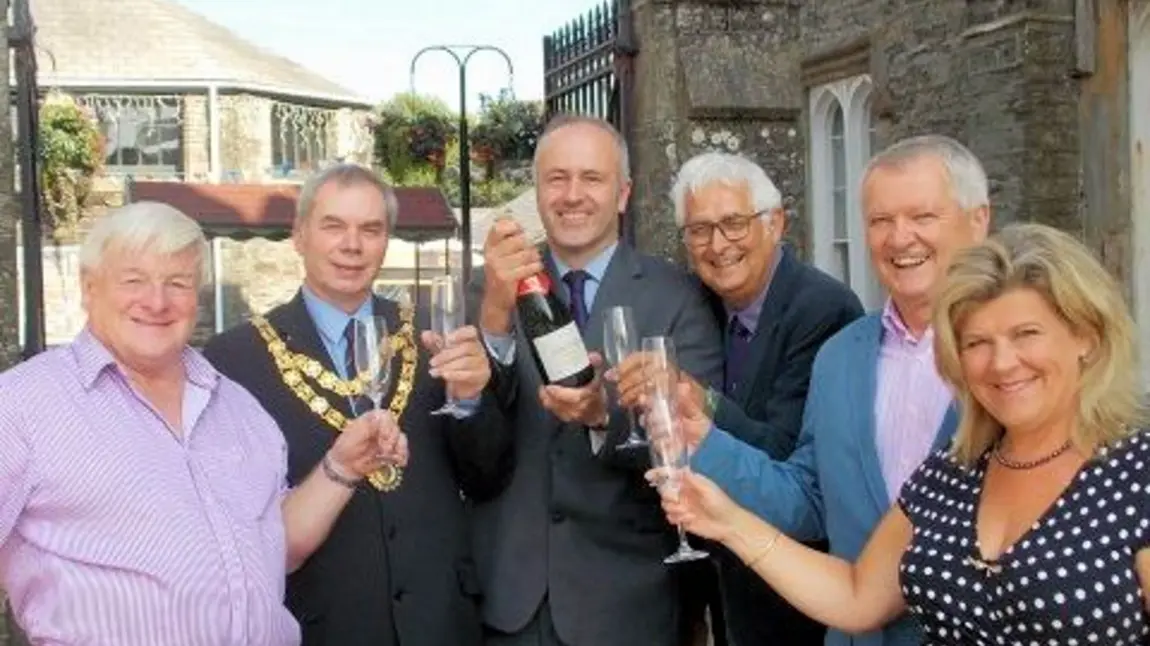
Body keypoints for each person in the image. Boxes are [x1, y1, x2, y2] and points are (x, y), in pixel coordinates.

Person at [662, 222, 1150, 645]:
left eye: (1027, 335)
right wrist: (729, 523)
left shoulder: (1136, 471)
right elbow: (857, 596)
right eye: (977, 342)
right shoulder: (951, 472)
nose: (1001, 363)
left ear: (1086, 336)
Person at [0, 202, 402, 646]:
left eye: (178, 283)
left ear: (198, 297)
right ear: (89, 287)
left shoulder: (238, 407)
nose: (156, 301)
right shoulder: (23, 405)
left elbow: (275, 548)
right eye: (134, 280)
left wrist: (342, 467)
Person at [679, 135, 992, 645]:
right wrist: (705, 442)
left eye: (922, 216)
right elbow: (809, 499)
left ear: (978, 220)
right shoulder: (842, 357)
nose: (899, 238)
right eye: (880, 221)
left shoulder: (1017, 363)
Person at [203, 164, 510, 646]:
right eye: (334, 226)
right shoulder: (235, 359)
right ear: (299, 235)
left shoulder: (435, 334)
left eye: (371, 229)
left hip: (442, 623)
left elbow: (487, 476)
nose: (353, 245)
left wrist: (471, 402)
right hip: (321, 624)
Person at [467, 114, 724, 646]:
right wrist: (492, 321)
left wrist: (604, 417)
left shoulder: (679, 297)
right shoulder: (489, 289)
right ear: (537, 191)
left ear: (623, 194)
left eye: (592, 178)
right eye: (556, 178)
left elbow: (694, 450)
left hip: (628, 605)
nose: (572, 195)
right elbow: (470, 453)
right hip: (511, 605)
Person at [619, 151, 863, 645]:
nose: (718, 244)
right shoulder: (699, 302)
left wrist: (696, 398)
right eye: (699, 229)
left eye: (733, 223)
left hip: (796, 593)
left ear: (775, 224)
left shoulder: (822, 310)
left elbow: (788, 459)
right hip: (720, 584)